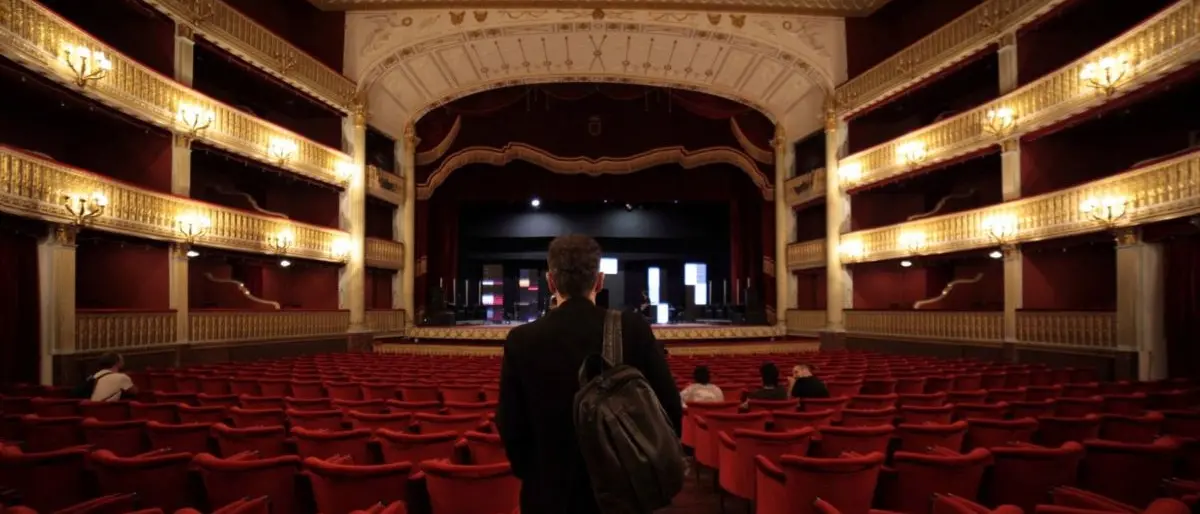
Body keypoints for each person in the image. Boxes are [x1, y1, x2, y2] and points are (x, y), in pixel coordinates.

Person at [497, 234, 683, 514]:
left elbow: (511, 427)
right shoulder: (633, 329)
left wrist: (540, 476)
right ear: (599, 280)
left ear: (550, 281)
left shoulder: (521, 340)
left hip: (549, 496)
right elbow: (670, 413)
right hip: (624, 495)